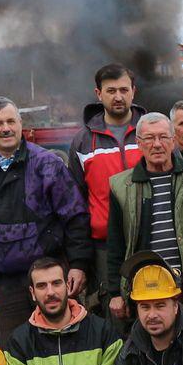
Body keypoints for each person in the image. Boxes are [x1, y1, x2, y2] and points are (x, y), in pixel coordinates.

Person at [0, 96, 92, 341]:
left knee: (66, 341)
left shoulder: (48, 164)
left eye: (10, 121)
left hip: (51, 274)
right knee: (15, 348)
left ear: (20, 124)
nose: (5, 128)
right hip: (4, 283)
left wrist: (79, 264)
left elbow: (75, 217)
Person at [103, 112, 183, 319]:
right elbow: (116, 245)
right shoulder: (121, 187)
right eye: (149, 138)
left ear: (173, 140)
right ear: (139, 143)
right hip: (146, 291)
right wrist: (114, 293)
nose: (157, 144)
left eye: (163, 137)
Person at [4, 257, 121, 365]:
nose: (50, 292)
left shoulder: (102, 331)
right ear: (32, 293)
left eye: (56, 283)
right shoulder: (19, 341)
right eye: (42, 286)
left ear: (67, 286)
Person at [66, 64, 144, 301]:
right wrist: (79, 259)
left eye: (123, 89)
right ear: (98, 94)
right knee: (113, 316)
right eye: (111, 91)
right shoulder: (83, 142)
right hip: (105, 249)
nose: (118, 97)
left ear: (133, 91)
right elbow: (75, 206)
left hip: (150, 240)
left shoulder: (152, 131)